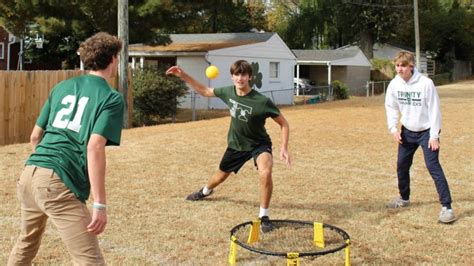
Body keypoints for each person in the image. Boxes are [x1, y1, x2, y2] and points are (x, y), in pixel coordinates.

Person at [8, 32, 124, 265]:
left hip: (30, 174)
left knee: (26, 244)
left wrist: (43, 170)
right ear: (112, 59)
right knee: (90, 260)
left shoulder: (63, 86)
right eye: (118, 58)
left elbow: (35, 136)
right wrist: (100, 204)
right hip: (56, 183)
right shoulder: (111, 98)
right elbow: (94, 147)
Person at [166, 60, 291, 232]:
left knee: (266, 172)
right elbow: (204, 91)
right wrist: (183, 75)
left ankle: (264, 216)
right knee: (219, 177)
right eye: (237, 74)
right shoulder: (228, 92)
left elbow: (284, 123)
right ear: (232, 77)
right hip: (236, 145)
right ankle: (204, 191)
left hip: (259, 144)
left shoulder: (261, 101)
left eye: (244, 74)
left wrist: (284, 147)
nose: (240, 78)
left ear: (249, 77)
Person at [384, 51, 455, 224]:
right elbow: (391, 107)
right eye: (397, 66)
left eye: (403, 66)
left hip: (427, 132)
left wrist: (434, 135)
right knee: (402, 165)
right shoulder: (394, 84)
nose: (399, 69)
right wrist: (393, 129)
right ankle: (404, 198)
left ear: (411, 66)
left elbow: (434, 110)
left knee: (433, 166)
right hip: (407, 132)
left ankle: (447, 208)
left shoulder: (426, 83)